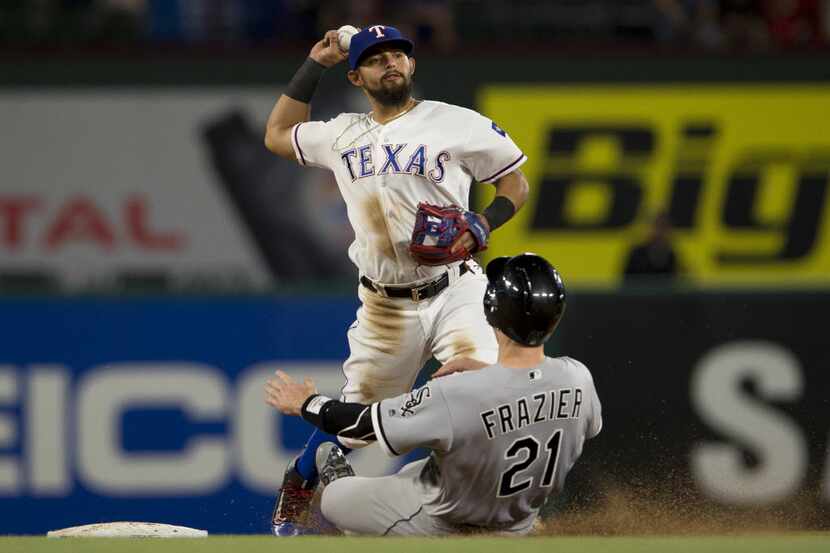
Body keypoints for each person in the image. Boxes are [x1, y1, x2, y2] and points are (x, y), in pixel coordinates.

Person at [262, 24, 530, 535]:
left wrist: (484, 221)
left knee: (484, 391)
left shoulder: (455, 122)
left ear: (412, 66)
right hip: (385, 303)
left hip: (456, 286)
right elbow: (275, 135)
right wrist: (313, 63)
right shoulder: (340, 133)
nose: (390, 63)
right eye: (376, 57)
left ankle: (495, 510)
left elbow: (515, 182)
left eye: (398, 55)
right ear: (357, 75)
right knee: (359, 420)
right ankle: (300, 476)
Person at [265, 253, 602, 536]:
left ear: (492, 309)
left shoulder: (459, 392)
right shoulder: (578, 378)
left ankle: (338, 477)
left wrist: (306, 403)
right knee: (421, 473)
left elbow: (362, 425)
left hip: (446, 524)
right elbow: (536, 403)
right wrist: (493, 376)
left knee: (336, 499)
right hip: (518, 524)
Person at [623, 212, 681, 281]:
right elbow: (627, 284)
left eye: (664, 228)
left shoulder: (671, 255)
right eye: (658, 226)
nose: (660, 232)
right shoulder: (636, 254)